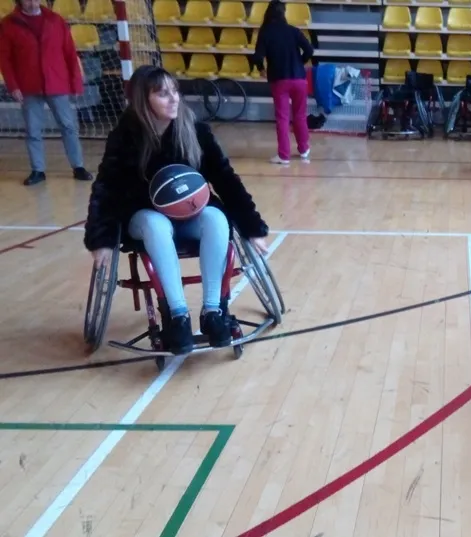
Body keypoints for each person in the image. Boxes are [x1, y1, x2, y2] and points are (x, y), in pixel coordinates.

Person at [82, 65, 270, 355]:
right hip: (144, 218)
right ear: (144, 100)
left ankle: (213, 311)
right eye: (162, 94)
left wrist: (252, 227)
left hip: (190, 215)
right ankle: (177, 316)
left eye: (175, 92)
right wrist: (102, 239)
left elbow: (226, 179)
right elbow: (106, 187)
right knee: (156, 225)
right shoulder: (125, 136)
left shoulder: (195, 131)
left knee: (217, 219)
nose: (173, 99)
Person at [0, 0, 93, 186]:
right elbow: (5, 59)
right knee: (33, 130)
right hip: (28, 86)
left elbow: (69, 52)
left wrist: (75, 83)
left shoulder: (55, 20)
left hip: (56, 82)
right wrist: (13, 86)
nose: (33, 1)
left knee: (68, 126)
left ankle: (78, 166)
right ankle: (37, 170)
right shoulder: (8, 24)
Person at [251, 0, 314, 165]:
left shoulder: (265, 32)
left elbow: (257, 56)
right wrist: (300, 61)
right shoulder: (293, 31)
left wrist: (260, 69)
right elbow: (309, 50)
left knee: (282, 118)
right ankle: (304, 149)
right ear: (283, 13)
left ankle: (284, 155)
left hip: (279, 80)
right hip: (300, 78)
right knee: (300, 115)